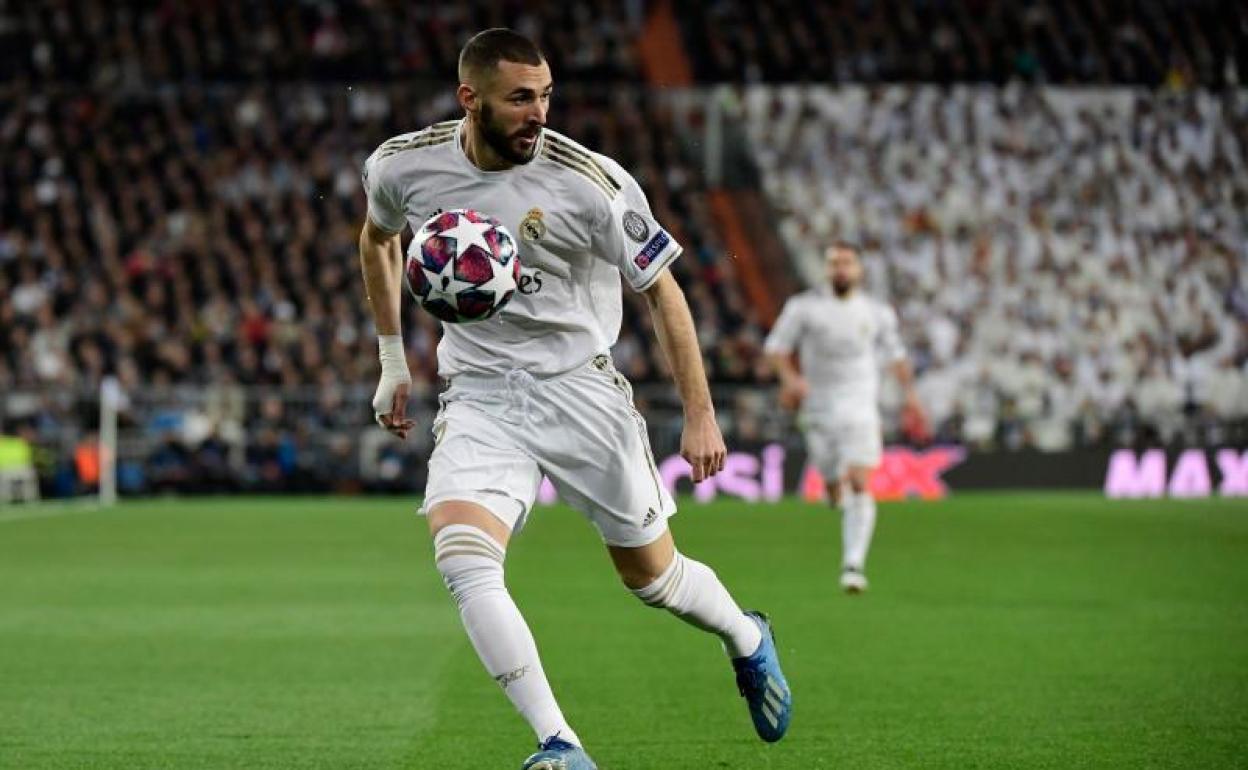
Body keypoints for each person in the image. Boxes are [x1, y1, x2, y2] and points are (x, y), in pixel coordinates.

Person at [357, 29, 791, 770]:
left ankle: (746, 637)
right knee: (463, 557)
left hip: (579, 390)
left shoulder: (591, 183)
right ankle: (559, 744)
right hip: (481, 393)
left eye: (546, 96)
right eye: (520, 99)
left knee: (653, 579)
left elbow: (663, 292)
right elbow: (376, 239)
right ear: (470, 99)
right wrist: (393, 361)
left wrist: (700, 412)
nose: (538, 113)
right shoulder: (403, 165)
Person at [764, 242, 925, 594]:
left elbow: (896, 356)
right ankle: (832, 486)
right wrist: (791, 380)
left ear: (859, 269)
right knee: (834, 485)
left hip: (861, 406)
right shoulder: (804, 307)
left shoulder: (877, 312)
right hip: (818, 408)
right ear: (826, 269)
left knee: (860, 481)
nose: (840, 269)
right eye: (834, 263)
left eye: (847, 262)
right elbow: (776, 348)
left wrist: (911, 397)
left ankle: (853, 566)